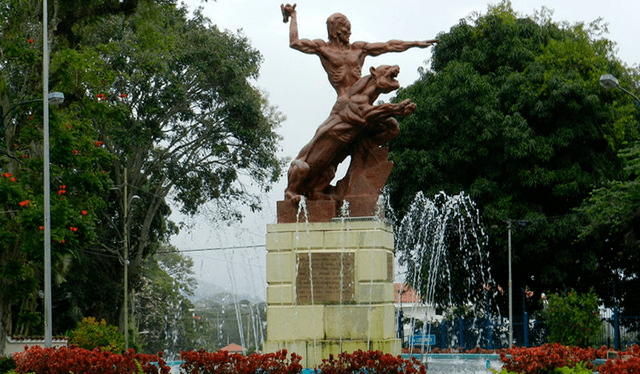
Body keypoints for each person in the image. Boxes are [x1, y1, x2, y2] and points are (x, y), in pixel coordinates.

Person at [281, 3, 438, 98]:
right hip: (344, 101)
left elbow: (388, 46)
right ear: (335, 31)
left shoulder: (358, 49)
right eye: (346, 30)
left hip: (363, 97)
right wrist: (293, 16)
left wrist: (416, 43)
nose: (350, 33)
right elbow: (295, 43)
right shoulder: (323, 48)